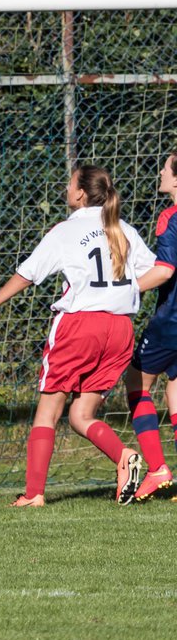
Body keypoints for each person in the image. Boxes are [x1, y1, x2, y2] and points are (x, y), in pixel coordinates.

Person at [0, 164, 158, 507]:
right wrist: (123, 293)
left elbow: (27, 274)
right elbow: (155, 270)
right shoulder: (122, 227)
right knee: (81, 415)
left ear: (81, 193)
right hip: (119, 329)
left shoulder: (66, 231)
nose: (66, 188)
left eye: (70, 183)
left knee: (48, 412)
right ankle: (124, 456)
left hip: (80, 326)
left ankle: (34, 494)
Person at [123, 151, 177, 500]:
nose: (160, 171)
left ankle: (157, 469)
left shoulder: (171, 217)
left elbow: (166, 269)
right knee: (175, 388)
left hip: (172, 320)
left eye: (167, 167)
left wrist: (123, 289)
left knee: (135, 380)